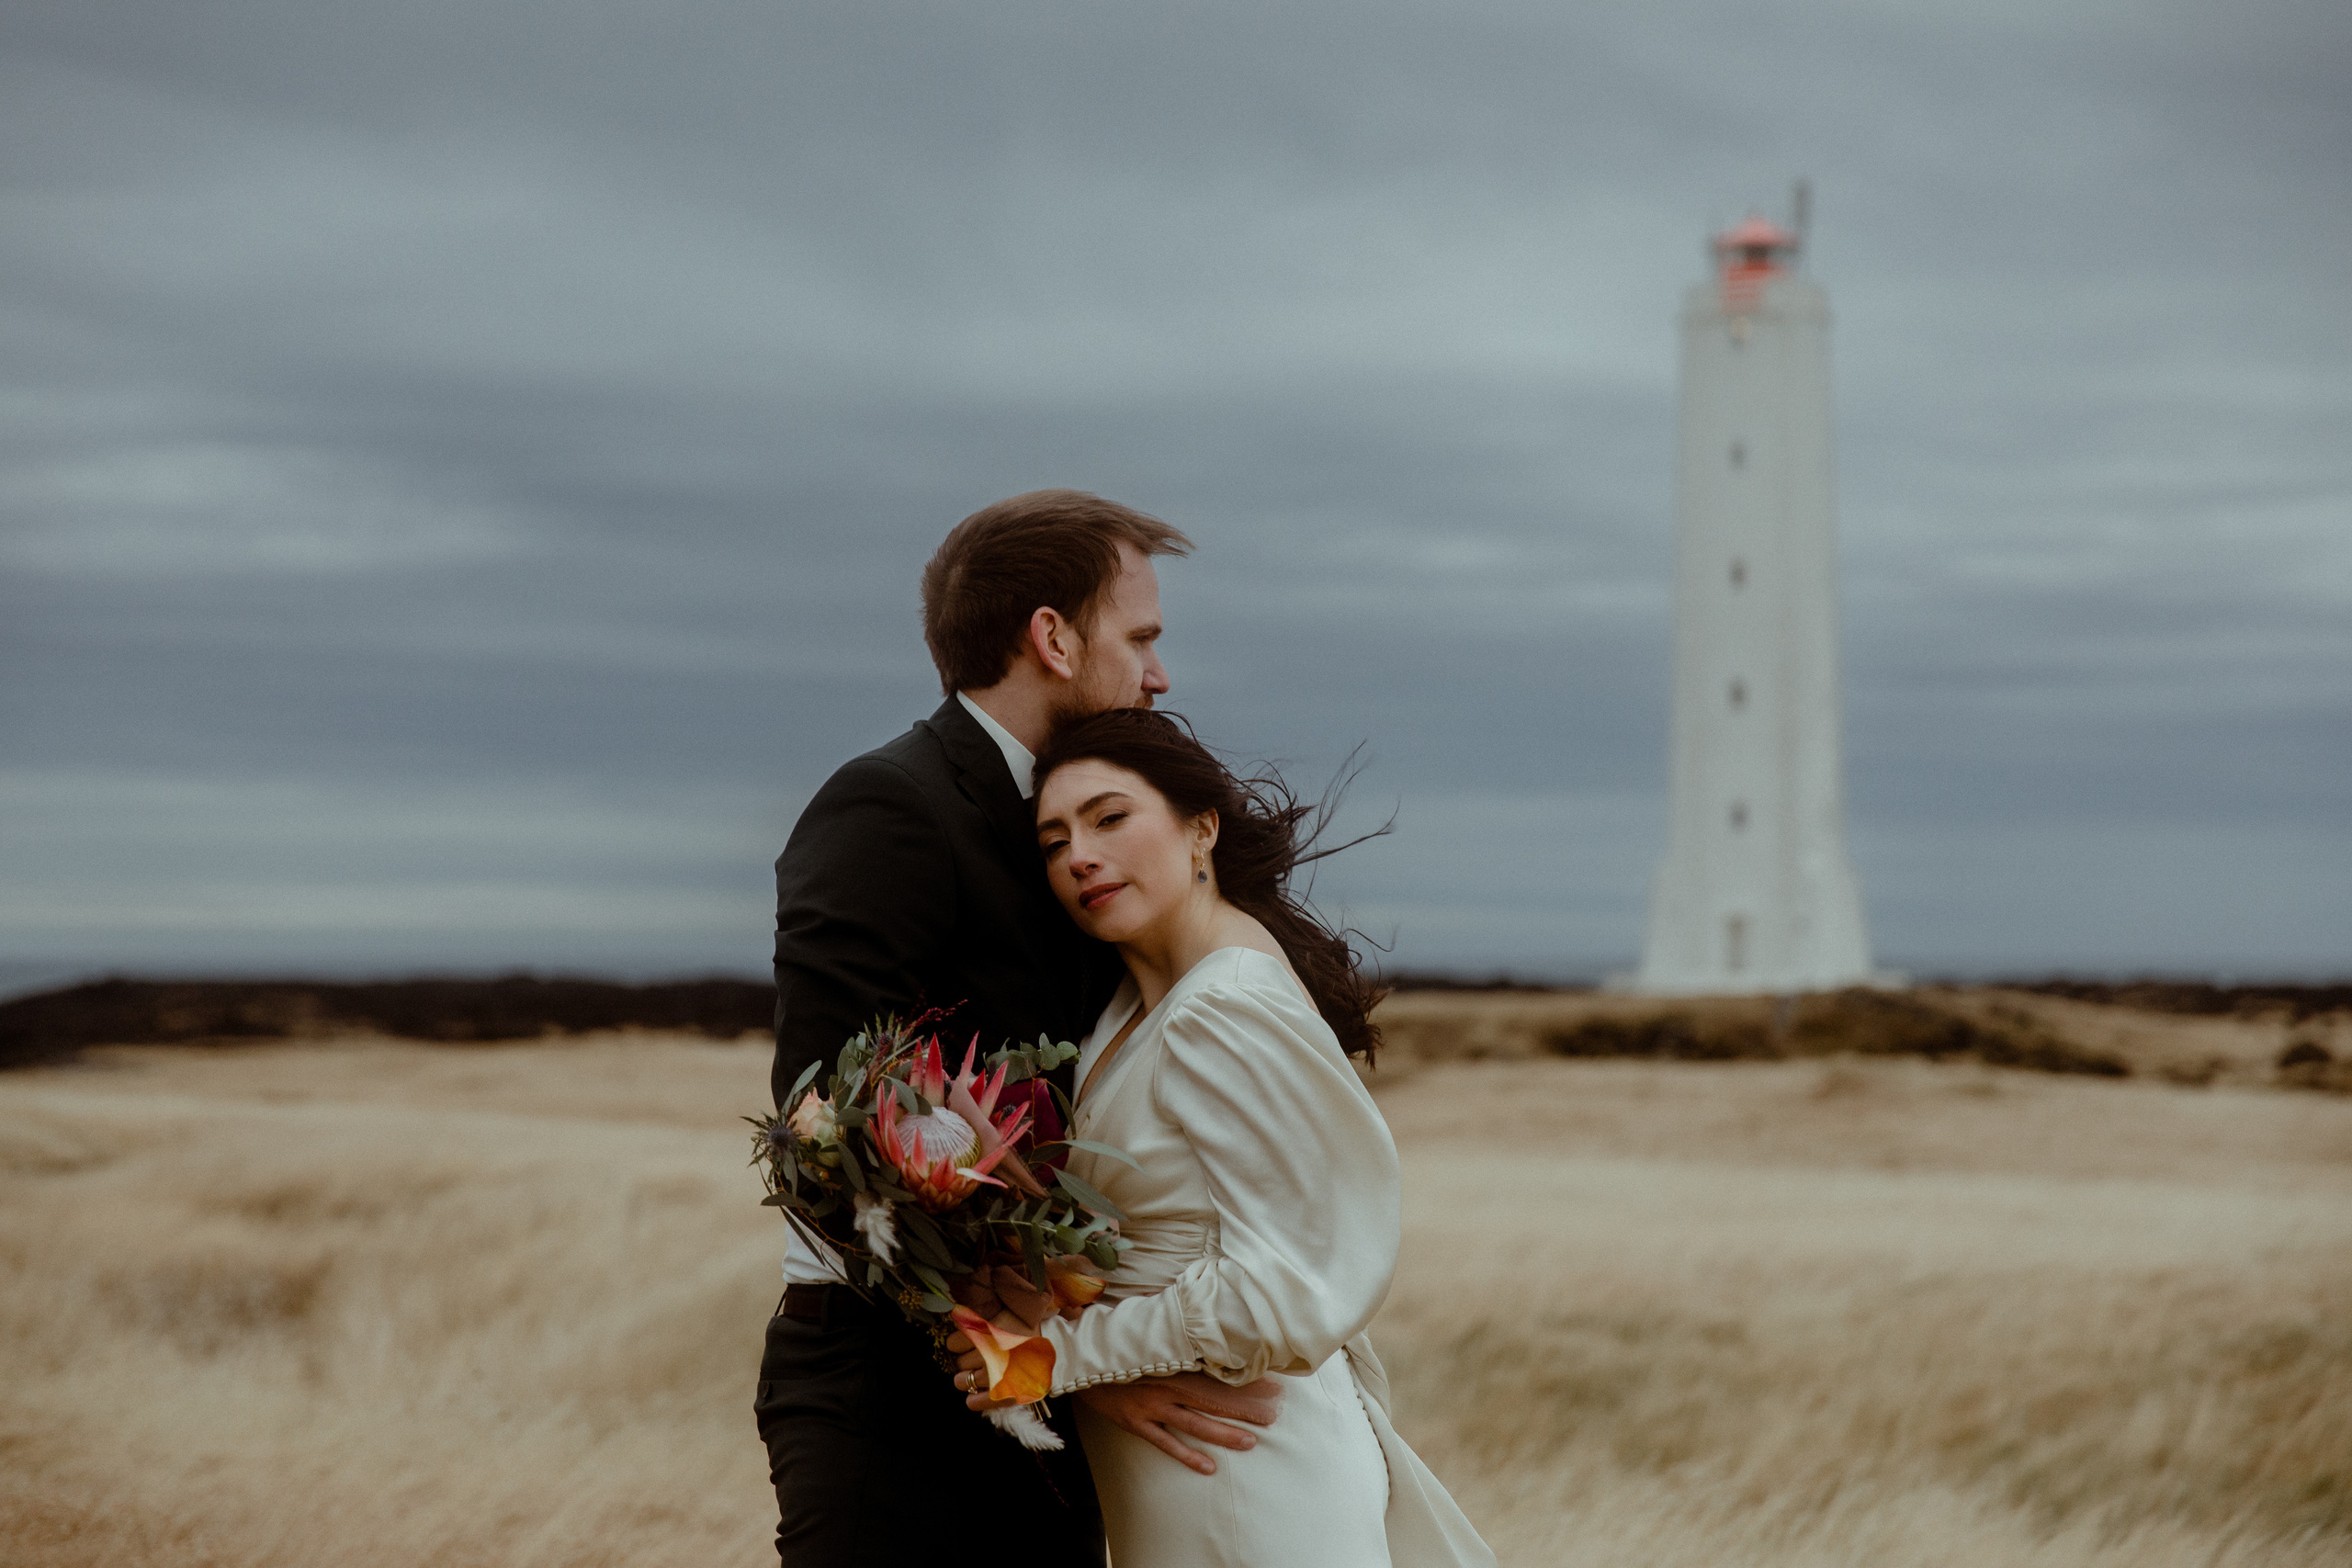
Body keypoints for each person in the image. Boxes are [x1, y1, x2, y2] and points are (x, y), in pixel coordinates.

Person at [757, 491, 1288, 1566]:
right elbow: (823, 1127)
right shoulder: (888, 805)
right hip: (888, 1391)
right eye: (1139, 637)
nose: (1159, 674)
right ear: (1051, 637)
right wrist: (1051, 1352)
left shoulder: (1083, 832)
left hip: (1049, 1388)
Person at [947, 707, 1496, 1568]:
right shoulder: (1134, 1008)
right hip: (1187, 1471)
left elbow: (1277, 1288)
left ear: (1201, 827)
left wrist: (1056, 1357)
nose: (1079, 855)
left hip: (1246, 1474)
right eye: (1054, 841)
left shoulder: (1225, 1004)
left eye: (1109, 817)